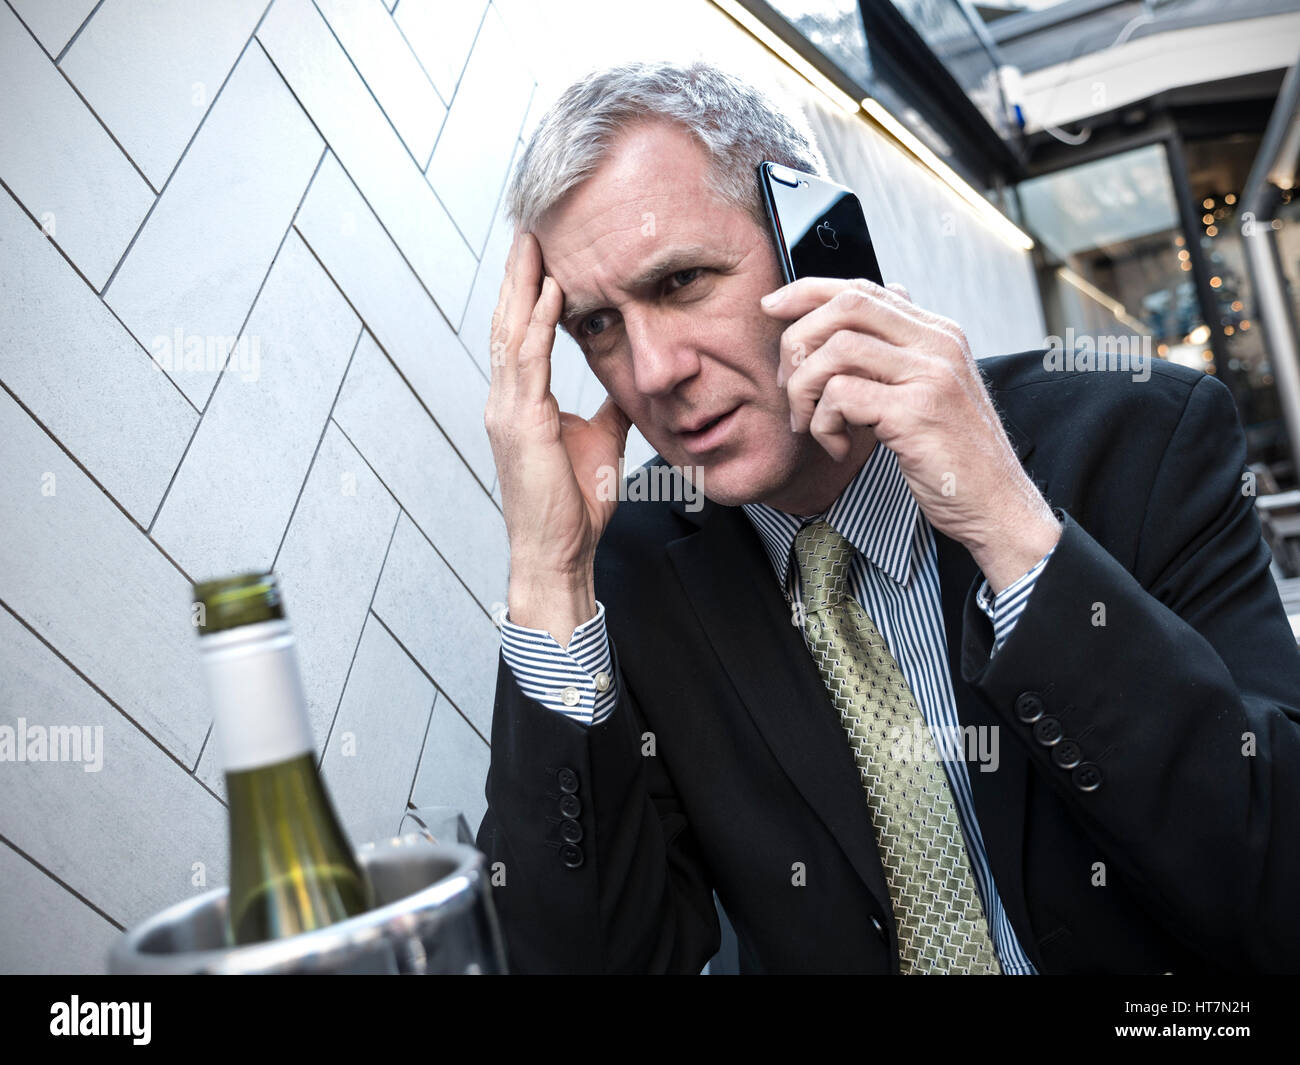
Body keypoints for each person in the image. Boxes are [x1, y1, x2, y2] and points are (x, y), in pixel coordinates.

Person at [475, 60, 1300, 974]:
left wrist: (1011, 530)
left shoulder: (1142, 439)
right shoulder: (630, 581)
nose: (654, 369)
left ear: (817, 249)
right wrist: (546, 576)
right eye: (597, 325)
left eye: (680, 283)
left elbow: (1275, 882)